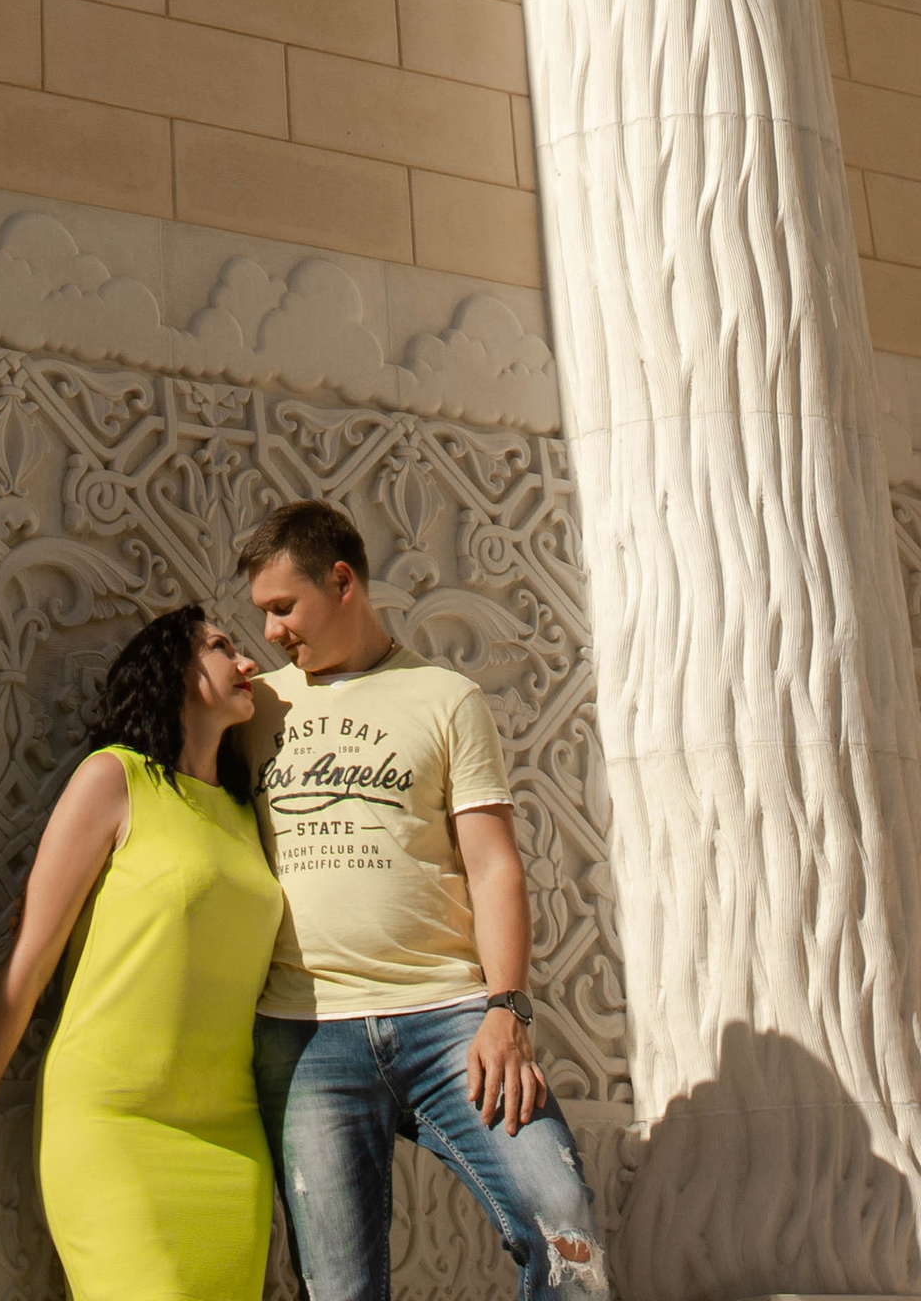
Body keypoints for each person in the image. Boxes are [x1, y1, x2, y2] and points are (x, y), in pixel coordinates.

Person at [240, 499, 609, 1301]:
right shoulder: (257, 709)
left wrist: (507, 1007)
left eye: (282, 608)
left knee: (564, 1225)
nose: (270, 633)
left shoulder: (445, 698)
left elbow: (494, 867)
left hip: (451, 1020)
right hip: (304, 1038)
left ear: (342, 581)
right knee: (338, 1290)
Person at [0, 601, 284, 1299]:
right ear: (173, 674)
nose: (246, 662)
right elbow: (25, 971)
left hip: (232, 1142)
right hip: (116, 1127)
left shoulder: (247, 815)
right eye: (220, 647)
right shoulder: (113, 779)